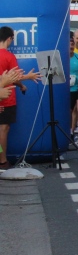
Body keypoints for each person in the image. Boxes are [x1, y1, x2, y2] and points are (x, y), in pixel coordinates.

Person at [0, 27, 40, 168]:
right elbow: (14, 76)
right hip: (7, 97)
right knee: (3, 129)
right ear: (10, 38)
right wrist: (28, 77)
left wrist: (20, 85)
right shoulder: (8, 56)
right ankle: (2, 160)